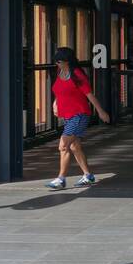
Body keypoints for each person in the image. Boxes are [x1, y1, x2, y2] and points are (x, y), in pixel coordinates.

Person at [47, 46, 110, 189]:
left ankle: (61, 179)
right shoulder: (60, 72)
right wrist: (55, 104)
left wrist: (101, 111)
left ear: (67, 61)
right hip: (68, 116)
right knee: (75, 146)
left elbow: (89, 94)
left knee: (63, 146)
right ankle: (88, 176)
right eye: (56, 61)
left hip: (79, 115)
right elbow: (59, 91)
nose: (57, 63)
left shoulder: (77, 75)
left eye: (59, 61)